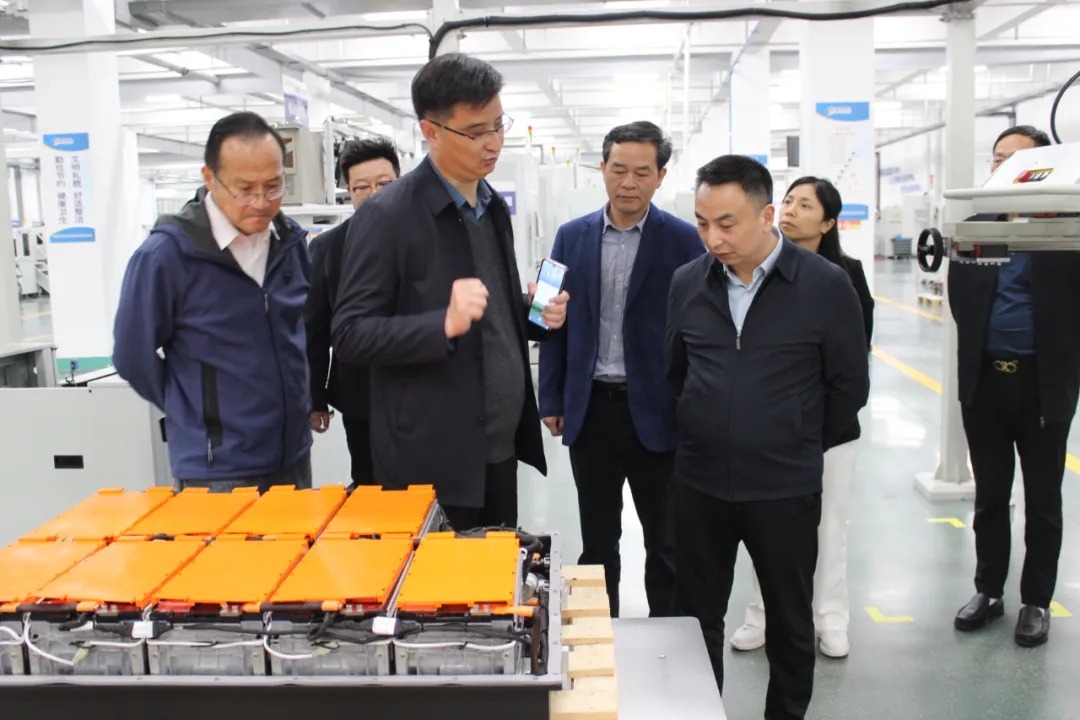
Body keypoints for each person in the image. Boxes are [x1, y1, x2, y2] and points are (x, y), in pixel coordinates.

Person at [665, 155, 869, 719]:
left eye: (727, 223)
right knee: (696, 620)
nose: (713, 238)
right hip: (700, 484)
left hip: (784, 487)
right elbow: (675, 373)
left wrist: (793, 439)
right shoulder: (688, 282)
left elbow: (849, 387)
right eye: (703, 223)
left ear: (766, 215)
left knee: (789, 620)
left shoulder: (825, 285)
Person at [331, 53, 569, 531]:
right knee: (438, 579)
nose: (494, 142)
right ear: (431, 131)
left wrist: (535, 313)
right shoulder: (387, 216)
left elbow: (489, 314)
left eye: (498, 125)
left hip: (498, 449)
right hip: (432, 461)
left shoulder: (490, 206)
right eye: (476, 132)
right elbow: (351, 333)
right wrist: (439, 325)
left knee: (496, 572)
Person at [538, 121, 703, 618]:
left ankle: (667, 636)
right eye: (618, 169)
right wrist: (551, 399)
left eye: (642, 172)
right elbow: (546, 320)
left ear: (661, 176)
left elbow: (699, 334)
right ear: (603, 169)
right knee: (597, 541)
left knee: (666, 541)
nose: (628, 183)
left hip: (658, 412)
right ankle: (599, 635)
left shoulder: (685, 242)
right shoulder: (570, 236)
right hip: (591, 411)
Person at [113, 111, 312, 491]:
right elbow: (131, 356)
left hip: (293, 456)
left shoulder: (290, 244)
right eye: (245, 189)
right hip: (218, 469)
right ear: (210, 178)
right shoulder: (167, 256)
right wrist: (196, 416)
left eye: (273, 186)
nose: (261, 202)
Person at [729, 176, 873, 659]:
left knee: (829, 527)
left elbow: (852, 366)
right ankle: (762, 615)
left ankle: (830, 618)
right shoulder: (758, 269)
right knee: (765, 529)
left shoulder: (845, 275)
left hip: (829, 433)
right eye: (788, 200)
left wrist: (817, 431)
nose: (791, 210)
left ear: (828, 223)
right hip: (771, 432)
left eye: (805, 205)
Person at [950, 125, 1080, 647]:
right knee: (990, 495)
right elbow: (961, 301)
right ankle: (989, 591)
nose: (1003, 169)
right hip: (985, 382)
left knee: (1043, 499)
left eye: (1016, 161)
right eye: (997, 159)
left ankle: (1036, 601)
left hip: (1043, 385)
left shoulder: (1066, 234)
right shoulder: (976, 229)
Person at [306, 136, 401, 487]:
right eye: (361, 187)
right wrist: (315, 397)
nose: (373, 194)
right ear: (348, 191)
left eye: (384, 184)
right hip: (359, 392)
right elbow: (314, 328)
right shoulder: (328, 248)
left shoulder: (427, 237)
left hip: (423, 392)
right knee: (368, 483)